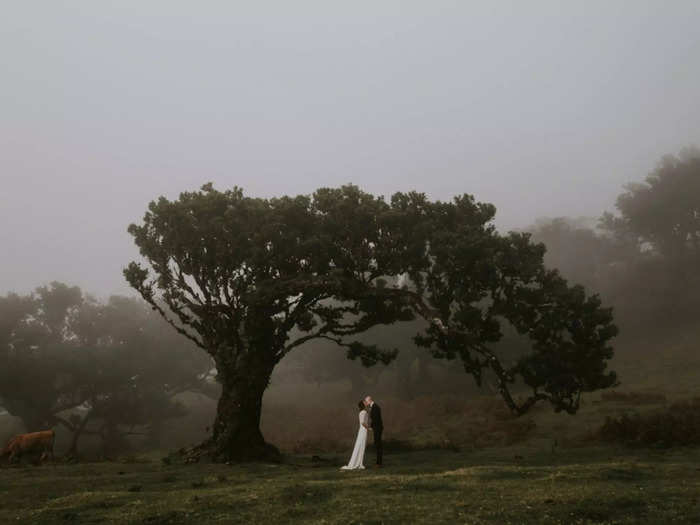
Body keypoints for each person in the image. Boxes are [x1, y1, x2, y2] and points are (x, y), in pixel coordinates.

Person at [340, 400, 370, 470]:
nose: (366, 403)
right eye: (365, 402)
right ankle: (358, 463)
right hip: (363, 430)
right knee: (361, 445)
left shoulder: (362, 412)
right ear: (363, 405)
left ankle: (359, 463)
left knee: (361, 446)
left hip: (362, 430)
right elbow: (363, 422)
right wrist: (369, 428)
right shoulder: (364, 412)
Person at [364, 395, 383, 467]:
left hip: (378, 428)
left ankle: (379, 463)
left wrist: (372, 427)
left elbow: (376, 419)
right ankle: (378, 462)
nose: (366, 403)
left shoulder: (375, 407)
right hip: (377, 428)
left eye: (366, 401)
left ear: (369, 400)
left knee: (378, 445)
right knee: (377, 444)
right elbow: (374, 418)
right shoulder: (374, 407)